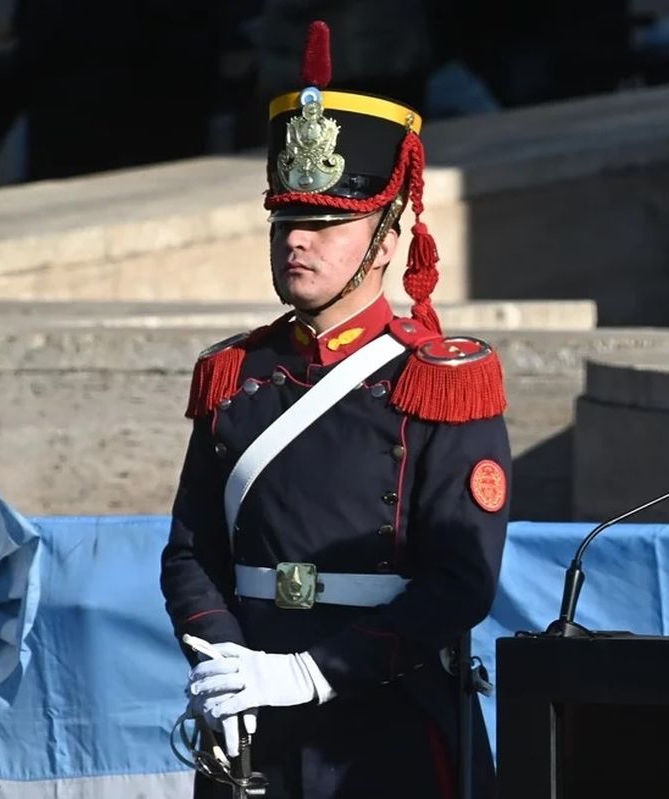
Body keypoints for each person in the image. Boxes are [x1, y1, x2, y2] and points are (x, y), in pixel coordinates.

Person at [158, 20, 509, 799]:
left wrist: (310, 673)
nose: (297, 242)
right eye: (286, 221)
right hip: (252, 723)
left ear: (387, 239)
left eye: (325, 223)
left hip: (387, 726)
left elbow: (460, 581)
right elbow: (191, 553)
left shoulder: (442, 377)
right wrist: (224, 660)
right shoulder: (234, 373)